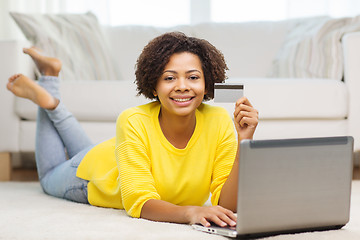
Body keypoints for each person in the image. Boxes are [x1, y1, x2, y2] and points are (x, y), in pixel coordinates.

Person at [6, 32, 258, 228]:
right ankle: (48, 98)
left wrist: (243, 144)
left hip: (112, 155)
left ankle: (50, 78)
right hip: (94, 175)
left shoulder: (220, 121)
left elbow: (227, 206)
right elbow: (139, 203)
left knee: (82, 150)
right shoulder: (133, 119)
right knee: (48, 178)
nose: (182, 86)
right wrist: (190, 211)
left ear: (207, 83)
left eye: (193, 77)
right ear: (154, 84)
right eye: (170, 78)